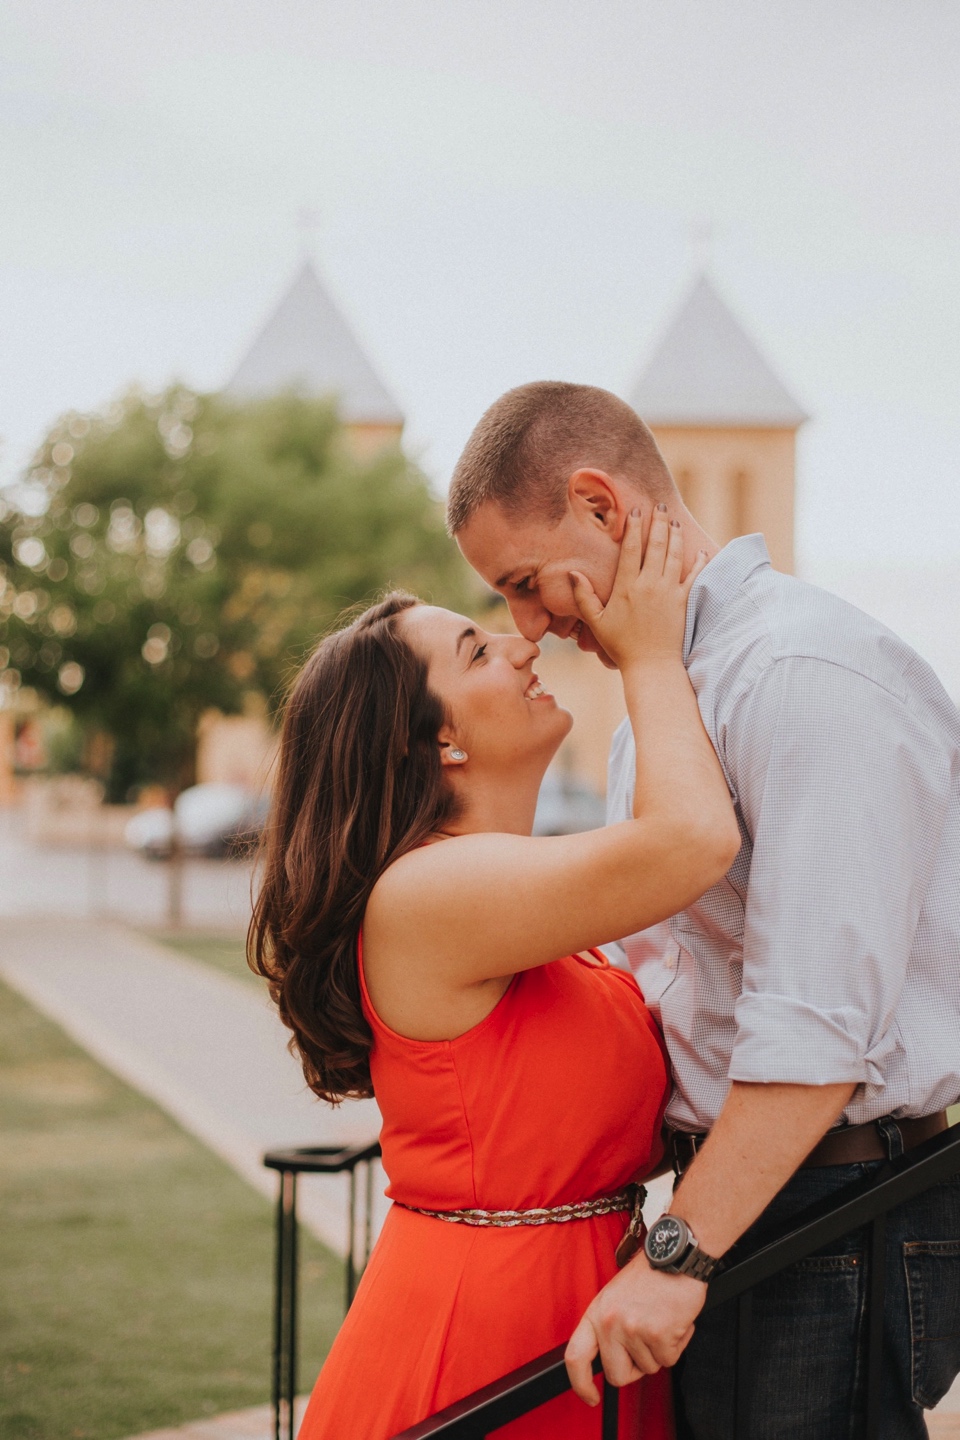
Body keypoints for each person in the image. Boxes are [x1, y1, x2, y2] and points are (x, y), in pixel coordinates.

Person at [450, 379, 960, 1440]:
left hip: (833, 1204)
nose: (528, 625)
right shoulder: (669, 684)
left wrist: (685, 1249)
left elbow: (816, 1025)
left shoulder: (802, 672)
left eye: (527, 582)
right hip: (744, 1195)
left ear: (600, 505)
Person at [249, 508, 739, 1440]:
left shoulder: (523, 901)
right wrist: (648, 654)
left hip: (585, 1324)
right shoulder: (428, 895)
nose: (522, 647)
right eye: (477, 653)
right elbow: (694, 842)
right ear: (437, 743)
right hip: (480, 1343)